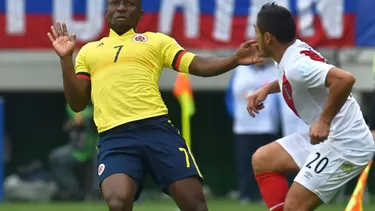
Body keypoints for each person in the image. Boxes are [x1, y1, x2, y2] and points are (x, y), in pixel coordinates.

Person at [46, 0, 263, 210]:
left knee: (195, 205)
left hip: (157, 131)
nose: (121, 7)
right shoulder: (88, 51)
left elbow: (199, 65)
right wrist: (66, 60)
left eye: (129, 3)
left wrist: (234, 59)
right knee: (118, 202)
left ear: (140, 14)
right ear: (106, 11)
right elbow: (77, 104)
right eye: (114, 3)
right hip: (115, 138)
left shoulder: (157, 41)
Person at [247, 2, 375, 211]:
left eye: (256, 32)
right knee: (263, 160)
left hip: (347, 144)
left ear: (268, 37)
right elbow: (296, 80)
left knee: (295, 206)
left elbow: (345, 79)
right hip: (330, 138)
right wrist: (266, 89)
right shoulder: (291, 53)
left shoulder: (297, 64)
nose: (254, 38)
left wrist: (324, 121)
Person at [225, 58, 280, 203]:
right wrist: (235, 115)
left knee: (268, 164)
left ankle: (265, 195)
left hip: (267, 126)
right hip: (244, 127)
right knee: (245, 163)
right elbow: (230, 96)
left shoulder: (274, 70)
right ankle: (246, 194)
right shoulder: (240, 70)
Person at [49, 104, 95, 200]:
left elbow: (79, 121)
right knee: (56, 156)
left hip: (93, 148)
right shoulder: (71, 106)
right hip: (75, 149)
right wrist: (71, 124)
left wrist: (77, 122)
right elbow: (69, 125)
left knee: (101, 159)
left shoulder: (95, 106)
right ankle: (72, 191)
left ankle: (97, 194)